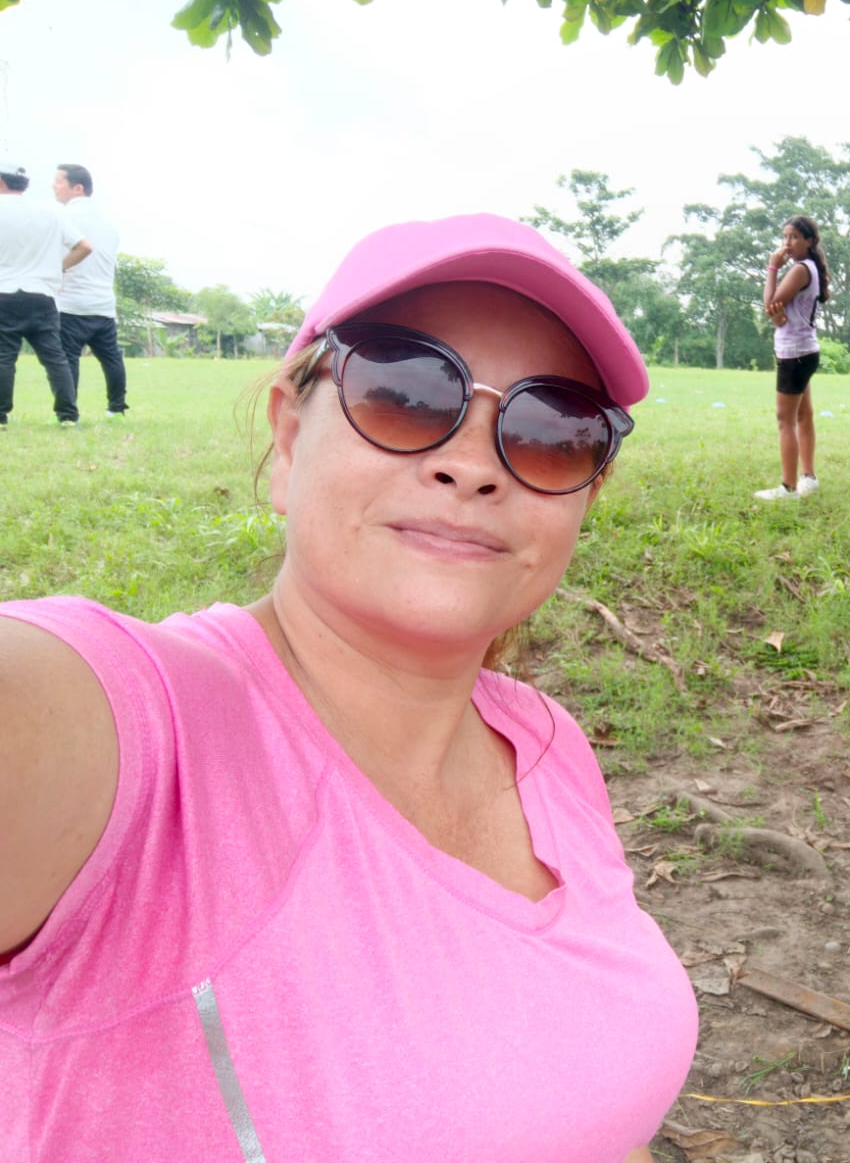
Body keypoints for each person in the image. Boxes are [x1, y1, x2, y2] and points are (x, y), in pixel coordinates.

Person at [0, 214, 697, 1160]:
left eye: (552, 429)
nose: (472, 465)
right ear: (290, 441)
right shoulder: (144, 733)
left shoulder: (544, 743)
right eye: (404, 390)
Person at [0, 161, 91, 428]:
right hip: (42, 294)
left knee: (4, 356)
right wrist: (57, 268)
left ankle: (1, 416)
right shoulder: (50, 212)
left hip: (4, 293)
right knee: (54, 358)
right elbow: (84, 247)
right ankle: (67, 415)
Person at [756, 214, 830, 501]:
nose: (788, 243)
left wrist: (773, 267)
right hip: (805, 350)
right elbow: (778, 310)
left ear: (809, 241)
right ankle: (808, 477)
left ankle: (788, 488)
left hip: (794, 354)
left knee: (785, 419)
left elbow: (770, 302)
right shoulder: (809, 267)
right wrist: (778, 317)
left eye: (795, 237)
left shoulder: (800, 269)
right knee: (803, 415)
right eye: (785, 237)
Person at [53, 164, 130, 418]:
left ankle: (67, 414)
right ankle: (116, 409)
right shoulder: (108, 223)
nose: (54, 186)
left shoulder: (63, 218)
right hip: (103, 304)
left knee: (68, 359)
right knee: (112, 359)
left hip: (71, 303)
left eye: (59, 181)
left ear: (78, 188)